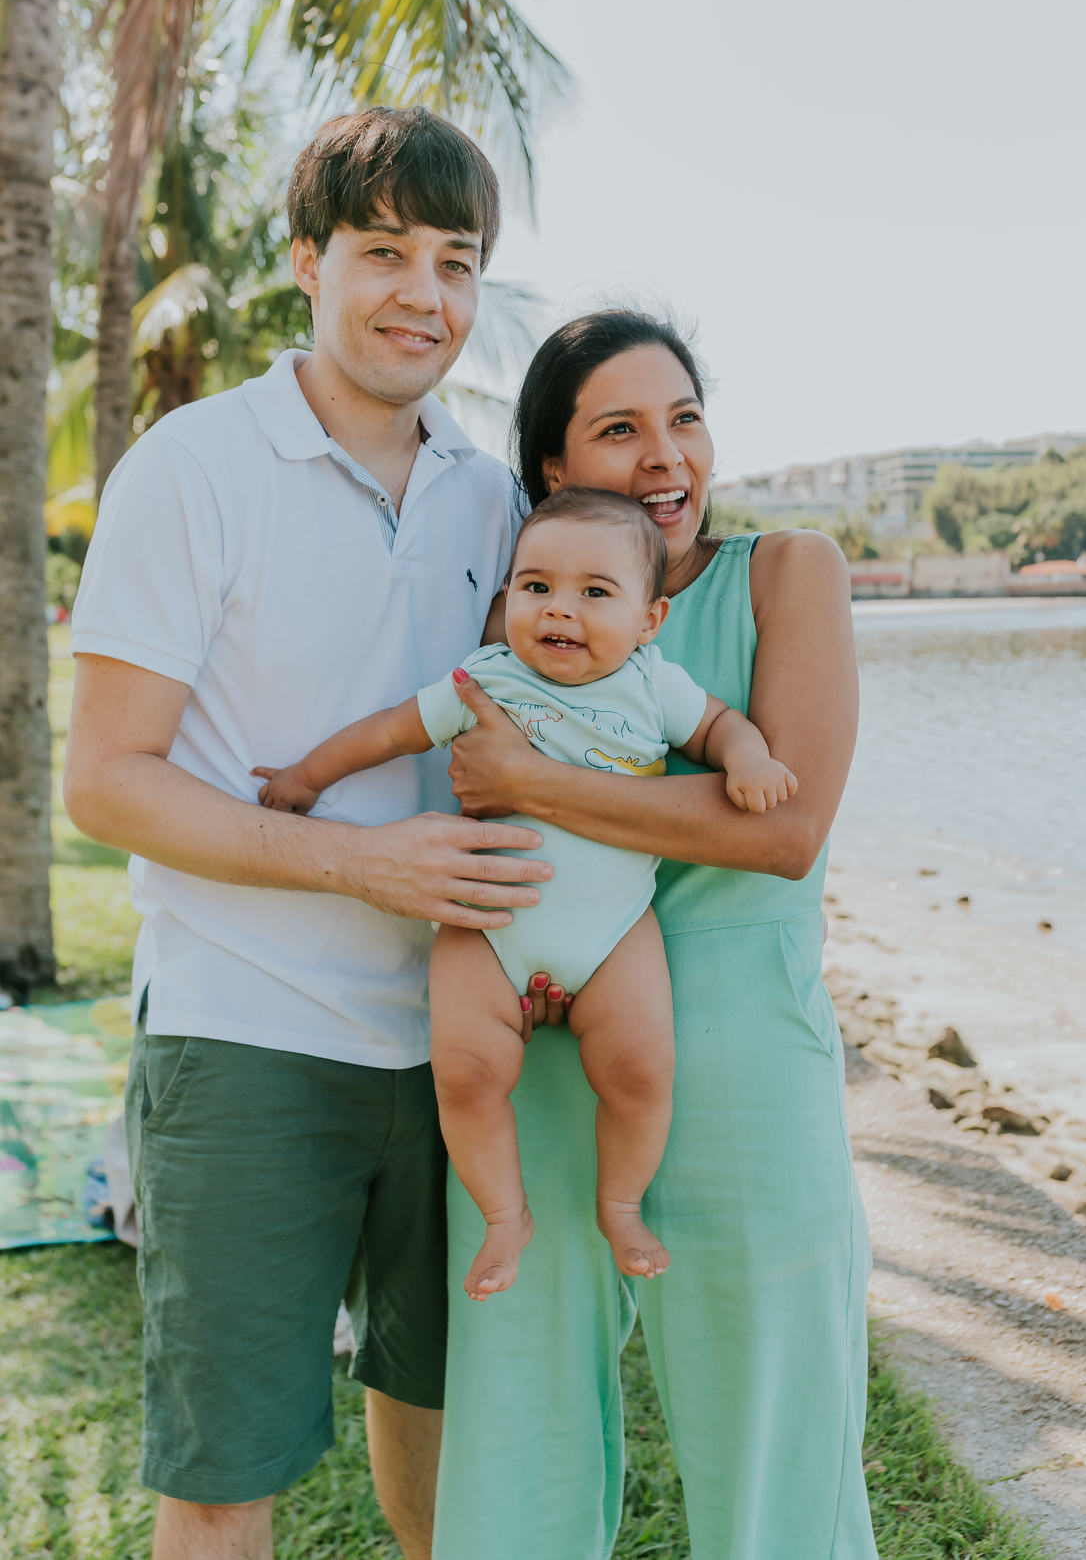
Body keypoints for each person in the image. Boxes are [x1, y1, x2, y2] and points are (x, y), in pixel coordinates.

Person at [62, 106, 554, 1560]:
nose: (425, 292)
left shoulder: (493, 494)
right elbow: (105, 780)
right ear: (306, 264)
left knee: (452, 1430)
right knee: (225, 1472)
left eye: (457, 261)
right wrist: (360, 859)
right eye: (385, 250)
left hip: (461, 1045)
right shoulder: (192, 466)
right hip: (245, 1035)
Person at [430, 310, 878, 1559]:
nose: (666, 456)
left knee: (774, 1467)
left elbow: (780, 824)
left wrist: (535, 783)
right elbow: (459, 788)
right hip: (544, 1060)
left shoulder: (790, 570)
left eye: (684, 417)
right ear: (552, 474)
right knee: (518, 1447)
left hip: (744, 1066)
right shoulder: (526, 615)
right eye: (620, 430)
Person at [254, 486, 797, 1301]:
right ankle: (505, 1216)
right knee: (467, 1077)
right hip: (487, 926)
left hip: (614, 934)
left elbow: (719, 727)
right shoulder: (486, 680)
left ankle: (621, 1203)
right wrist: (305, 776)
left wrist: (748, 760)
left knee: (643, 1071)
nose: (560, 610)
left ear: (649, 621)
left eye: (594, 592)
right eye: (535, 587)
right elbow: (389, 729)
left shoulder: (655, 683)